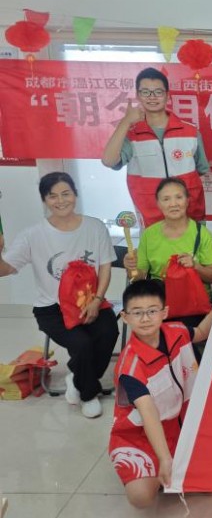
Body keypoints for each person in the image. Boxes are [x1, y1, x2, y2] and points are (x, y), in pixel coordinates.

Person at [0, 172, 119, 419]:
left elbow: (105, 267)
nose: (60, 200)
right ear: (44, 200)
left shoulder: (95, 227)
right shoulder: (33, 234)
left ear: (75, 194)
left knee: (109, 332)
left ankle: (76, 377)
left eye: (66, 194)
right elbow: (6, 269)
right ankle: (88, 394)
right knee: (82, 344)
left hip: (91, 301)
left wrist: (97, 300)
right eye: (52, 196)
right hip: (51, 309)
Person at [109, 279, 212, 508]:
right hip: (140, 436)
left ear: (164, 312)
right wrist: (164, 458)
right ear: (125, 317)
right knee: (140, 496)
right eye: (137, 312)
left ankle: (175, 465)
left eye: (152, 311)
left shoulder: (177, 331)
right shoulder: (129, 366)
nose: (145, 318)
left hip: (182, 428)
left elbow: (201, 332)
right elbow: (148, 413)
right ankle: (156, 470)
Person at [102, 67, 209, 227]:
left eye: (158, 92)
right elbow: (108, 161)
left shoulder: (190, 131)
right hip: (152, 220)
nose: (152, 97)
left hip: (190, 216)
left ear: (167, 95)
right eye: (145, 92)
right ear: (138, 95)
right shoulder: (131, 134)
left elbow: (200, 169)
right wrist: (126, 121)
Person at [123, 178, 212, 329]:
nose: (173, 204)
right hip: (158, 303)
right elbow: (137, 278)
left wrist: (195, 266)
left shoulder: (202, 234)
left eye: (179, 197)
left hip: (192, 304)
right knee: (149, 328)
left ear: (187, 200)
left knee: (182, 334)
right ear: (158, 203)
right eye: (166, 199)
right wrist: (131, 268)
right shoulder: (149, 234)